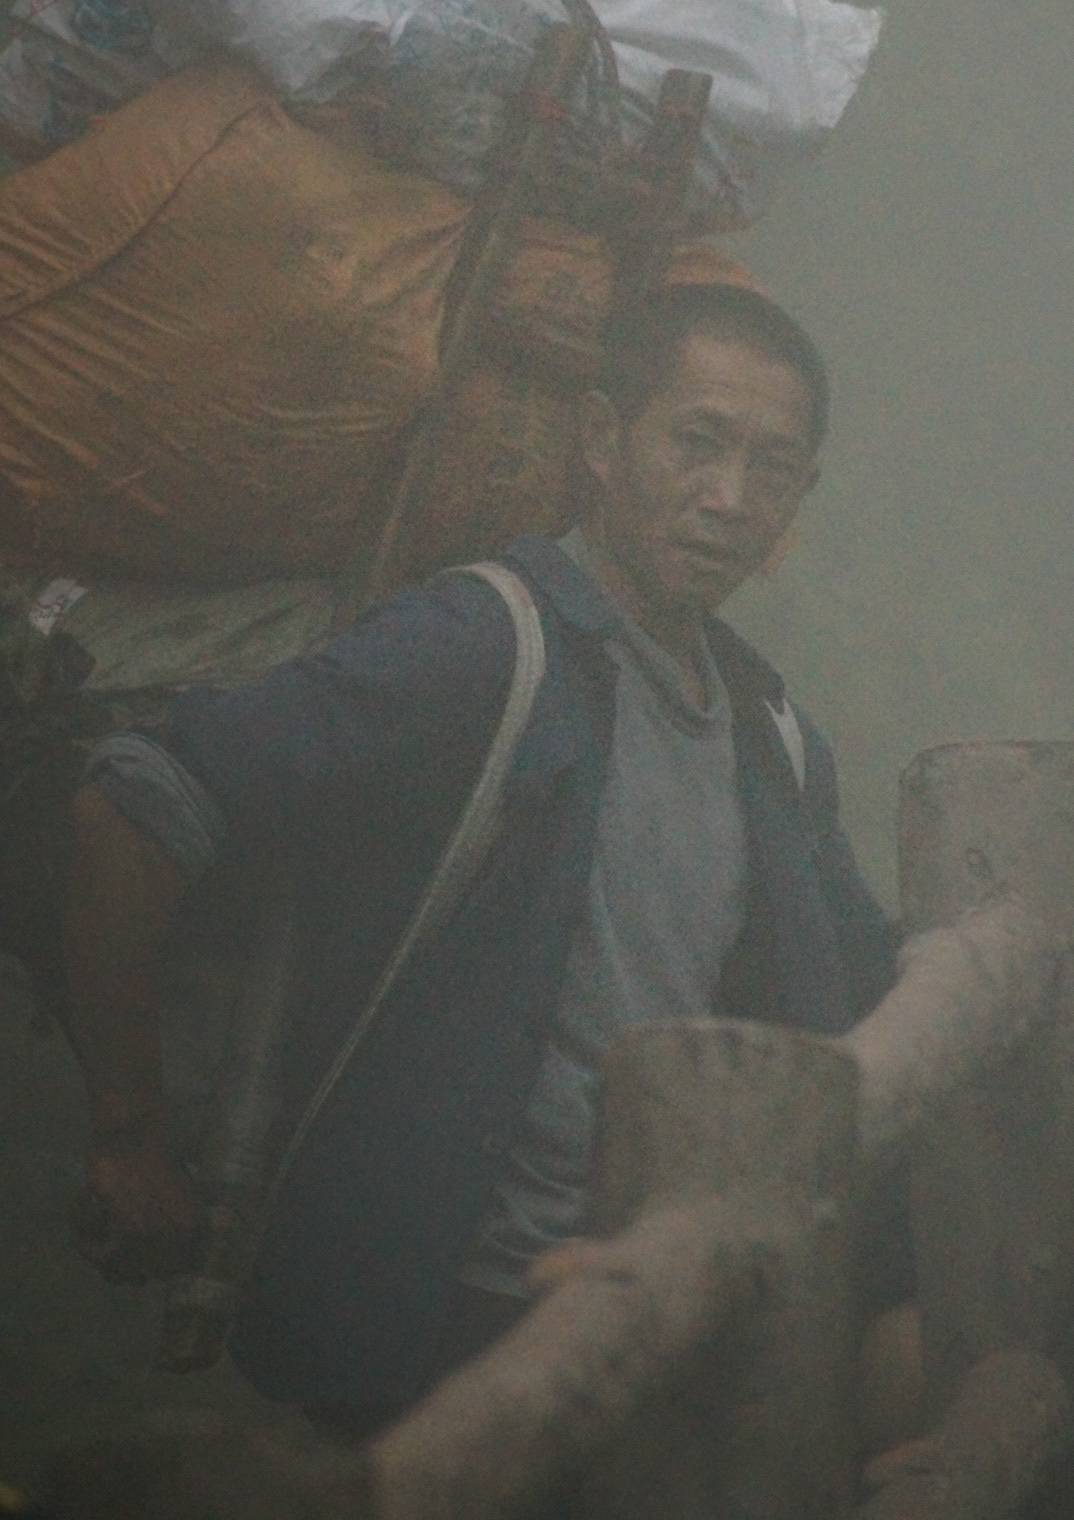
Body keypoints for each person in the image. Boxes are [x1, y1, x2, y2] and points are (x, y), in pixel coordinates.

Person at [62, 282, 914, 1434]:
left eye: (772, 467)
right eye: (697, 442)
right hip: (437, 1308)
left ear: (800, 498)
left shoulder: (773, 741)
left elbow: (871, 987)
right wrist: (128, 1132)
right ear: (604, 441)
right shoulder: (480, 646)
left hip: (639, 1321)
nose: (728, 498)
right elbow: (134, 807)